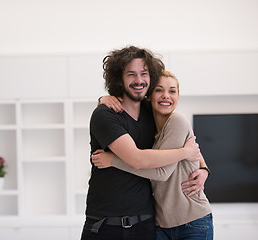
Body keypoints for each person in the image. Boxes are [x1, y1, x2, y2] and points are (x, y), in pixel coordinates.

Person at [80, 46, 207, 240]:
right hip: (105, 224)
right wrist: (184, 153)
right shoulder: (105, 114)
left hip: (146, 224)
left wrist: (204, 169)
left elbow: (187, 144)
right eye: (131, 74)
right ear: (119, 79)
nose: (139, 80)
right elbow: (137, 159)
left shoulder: (152, 111)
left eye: (144, 74)